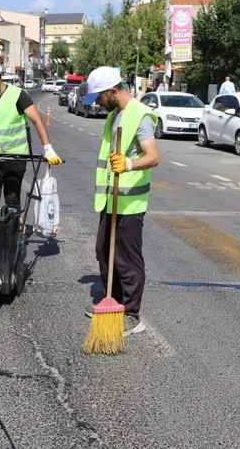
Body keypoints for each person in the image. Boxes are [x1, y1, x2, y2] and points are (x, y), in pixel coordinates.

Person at [83, 66, 160, 336]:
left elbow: (153, 156)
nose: (97, 104)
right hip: (111, 199)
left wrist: (128, 164)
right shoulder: (114, 114)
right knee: (103, 252)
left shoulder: (141, 116)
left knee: (128, 261)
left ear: (112, 91)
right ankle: (111, 304)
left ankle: (131, 314)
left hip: (130, 203)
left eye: (99, 98)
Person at [0, 64, 62, 211]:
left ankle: (12, 232)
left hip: (15, 157)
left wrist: (48, 149)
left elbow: (37, 120)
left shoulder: (18, 94)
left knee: (12, 199)